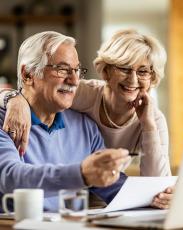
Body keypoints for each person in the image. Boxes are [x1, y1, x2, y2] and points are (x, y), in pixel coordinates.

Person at [0, 29, 173, 209]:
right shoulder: (5, 119)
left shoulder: (85, 126)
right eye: (62, 69)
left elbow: (115, 187)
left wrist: (159, 198)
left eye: (76, 70)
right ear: (28, 74)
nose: (74, 80)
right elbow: (9, 176)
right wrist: (81, 174)